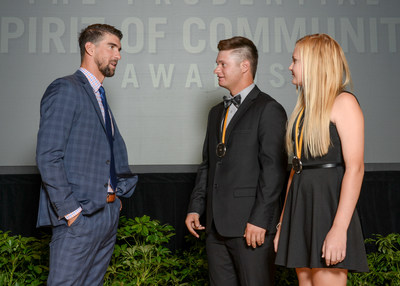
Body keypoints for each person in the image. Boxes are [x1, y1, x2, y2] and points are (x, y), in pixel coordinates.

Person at [36, 23, 138, 285]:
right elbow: (49, 155)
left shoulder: (100, 96)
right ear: (89, 48)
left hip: (106, 213)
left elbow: (107, 153)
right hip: (80, 217)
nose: (118, 55)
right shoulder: (66, 89)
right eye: (112, 47)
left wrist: (115, 201)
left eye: (119, 49)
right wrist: (71, 212)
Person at [185, 36, 287, 286]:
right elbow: (208, 164)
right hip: (215, 228)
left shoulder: (269, 109)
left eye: (222, 64)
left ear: (244, 66)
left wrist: (260, 220)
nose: (216, 69)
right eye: (217, 64)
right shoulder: (215, 113)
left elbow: (274, 171)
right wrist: (195, 207)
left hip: (251, 228)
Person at [274, 33, 369, 285]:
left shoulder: (344, 102)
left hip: (328, 209)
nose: (290, 67)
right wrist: (283, 223)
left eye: (295, 61)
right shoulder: (304, 110)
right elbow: (296, 169)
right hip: (301, 207)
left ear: (315, 64)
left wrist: (339, 230)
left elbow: (355, 169)